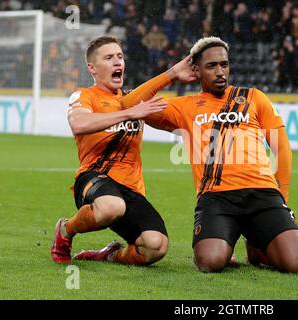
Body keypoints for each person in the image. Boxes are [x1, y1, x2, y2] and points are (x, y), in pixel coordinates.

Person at [131, 36, 298, 273]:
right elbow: (129, 104)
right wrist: (172, 74)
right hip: (216, 197)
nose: (220, 72)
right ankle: (236, 237)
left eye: (224, 64)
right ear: (195, 70)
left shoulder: (253, 97)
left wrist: (282, 197)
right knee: (210, 262)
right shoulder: (184, 106)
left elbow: (282, 147)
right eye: (211, 66)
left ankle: (255, 244)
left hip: (263, 193)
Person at [50, 36, 196, 265]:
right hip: (94, 178)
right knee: (111, 206)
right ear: (92, 68)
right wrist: (130, 114)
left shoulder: (133, 100)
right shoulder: (85, 96)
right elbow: (79, 124)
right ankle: (66, 230)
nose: (118, 62)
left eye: (120, 56)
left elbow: (169, 115)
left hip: (131, 189)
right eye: (109, 58)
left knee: (155, 247)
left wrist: (174, 75)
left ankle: (109, 254)